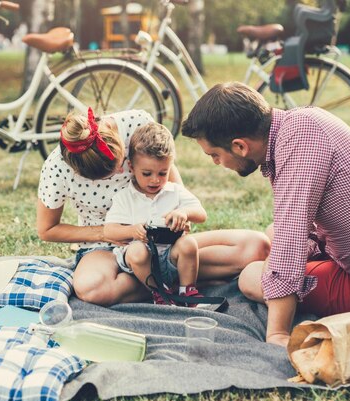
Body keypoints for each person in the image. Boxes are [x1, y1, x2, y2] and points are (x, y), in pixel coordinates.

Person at [181, 82, 350, 347]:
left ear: (240, 146)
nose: (215, 162)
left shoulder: (298, 151)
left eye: (214, 155)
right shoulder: (302, 122)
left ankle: (177, 266)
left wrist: (277, 335)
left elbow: (288, 249)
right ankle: (178, 257)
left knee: (251, 277)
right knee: (271, 235)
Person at [37, 107, 270, 306]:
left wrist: (179, 212)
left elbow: (167, 168)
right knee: (90, 288)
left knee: (257, 247)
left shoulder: (137, 123)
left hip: (164, 241)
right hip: (108, 248)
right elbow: (47, 230)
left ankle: (174, 282)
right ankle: (171, 287)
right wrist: (116, 232)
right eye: (107, 175)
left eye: (120, 165)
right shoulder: (56, 168)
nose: (119, 173)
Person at [104, 122, 208, 306]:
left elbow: (201, 214)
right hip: (142, 264)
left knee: (189, 243)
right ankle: (160, 293)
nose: (155, 180)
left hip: (170, 257)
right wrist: (132, 231)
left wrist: (183, 212)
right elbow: (109, 231)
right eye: (147, 173)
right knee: (136, 251)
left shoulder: (174, 191)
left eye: (163, 173)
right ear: (132, 167)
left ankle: (187, 292)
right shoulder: (125, 197)